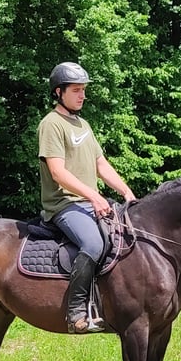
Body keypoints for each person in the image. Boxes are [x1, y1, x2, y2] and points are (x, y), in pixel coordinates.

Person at [38, 62, 137, 334]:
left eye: (83, 90)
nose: (82, 95)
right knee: (93, 243)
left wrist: (126, 192)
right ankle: (76, 312)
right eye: (77, 90)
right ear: (59, 92)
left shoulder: (83, 124)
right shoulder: (52, 124)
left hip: (86, 201)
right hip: (64, 205)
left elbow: (101, 165)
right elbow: (57, 172)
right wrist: (93, 195)